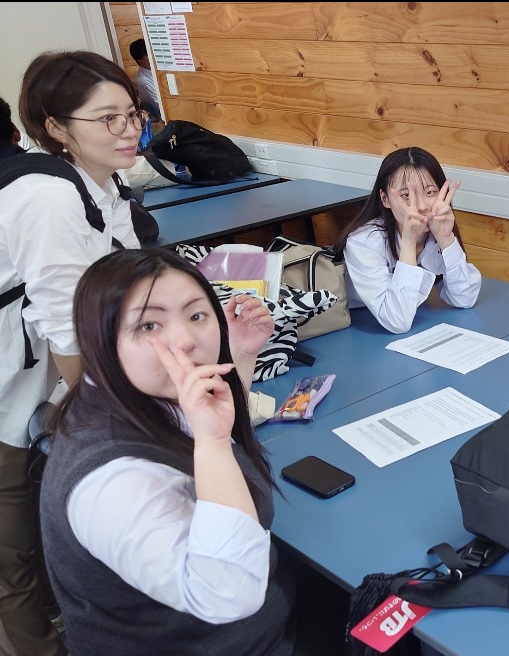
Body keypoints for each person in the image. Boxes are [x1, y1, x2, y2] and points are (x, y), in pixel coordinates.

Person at [40, 248, 296, 654]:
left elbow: (202, 431)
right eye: (149, 325)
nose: (186, 341)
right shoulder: (113, 480)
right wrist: (213, 442)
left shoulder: (128, 395)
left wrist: (241, 355)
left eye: (197, 316)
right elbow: (229, 593)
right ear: (100, 340)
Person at [0, 50, 149, 656]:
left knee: (53, 527)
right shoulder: (48, 198)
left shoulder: (105, 184)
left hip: (44, 384)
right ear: (57, 128)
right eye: (107, 118)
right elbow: (67, 334)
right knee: (13, 553)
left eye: (133, 114)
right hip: (10, 387)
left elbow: (133, 279)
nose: (129, 129)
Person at [336, 146, 482, 333]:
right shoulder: (364, 242)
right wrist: (409, 241)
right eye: (406, 195)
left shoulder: (436, 230)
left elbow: (465, 298)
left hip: (400, 310)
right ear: (385, 199)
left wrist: (446, 238)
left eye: (430, 192)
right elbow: (397, 322)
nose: (421, 206)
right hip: (351, 320)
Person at [129, 38, 163, 120]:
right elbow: (161, 107)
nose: (154, 57)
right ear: (139, 59)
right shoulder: (143, 81)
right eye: (149, 55)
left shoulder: (160, 71)